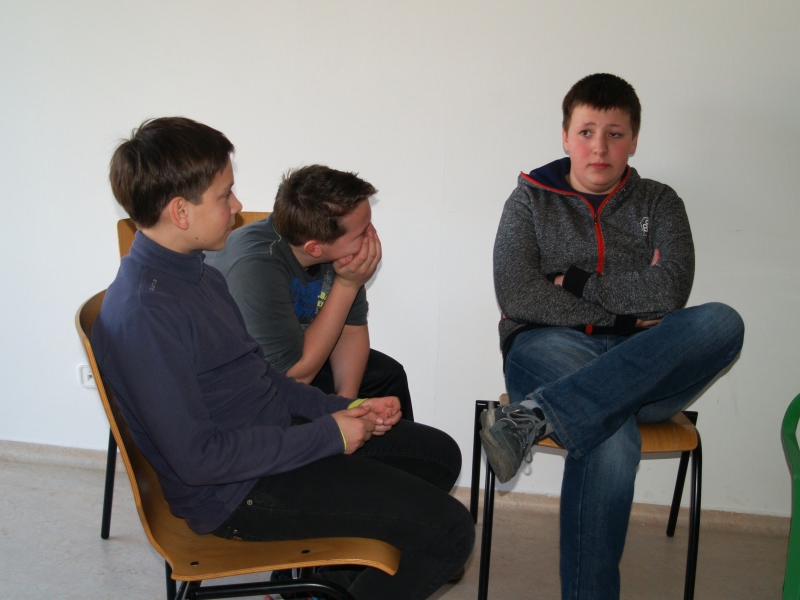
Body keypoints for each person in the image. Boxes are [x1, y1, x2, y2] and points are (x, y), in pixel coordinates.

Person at [92, 116, 473, 599]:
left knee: (437, 456)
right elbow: (198, 461)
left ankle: (321, 588)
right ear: (180, 212)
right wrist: (329, 435)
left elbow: (264, 378)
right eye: (225, 195)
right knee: (449, 532)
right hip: (236, 493)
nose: (237, 206)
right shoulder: (145, 314)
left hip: (269, 443)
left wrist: (342, 408)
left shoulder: (200, 275)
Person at [480, 73, 744, 600]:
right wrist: (622, 316)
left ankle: (535, 416)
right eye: (586, 132)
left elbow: (670, 290)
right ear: (565, 136)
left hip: (644, 364)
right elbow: (519, 295)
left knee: (722, 321)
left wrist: (576, 281)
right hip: (549, 347)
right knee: (610, 433)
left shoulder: (659, 202)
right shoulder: (529, 200)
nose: (599, 147)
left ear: (634, 139)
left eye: (615, 134)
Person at [205, 165, 414, 420]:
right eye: (362, 232)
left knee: (388, 376)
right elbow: (292, 380)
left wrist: (346, 406)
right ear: (314, 248)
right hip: (249, 388)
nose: (372, 236)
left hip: (300, 357)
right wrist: (347, 285)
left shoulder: (337, 251)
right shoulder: (257, 266)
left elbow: (350, 331)